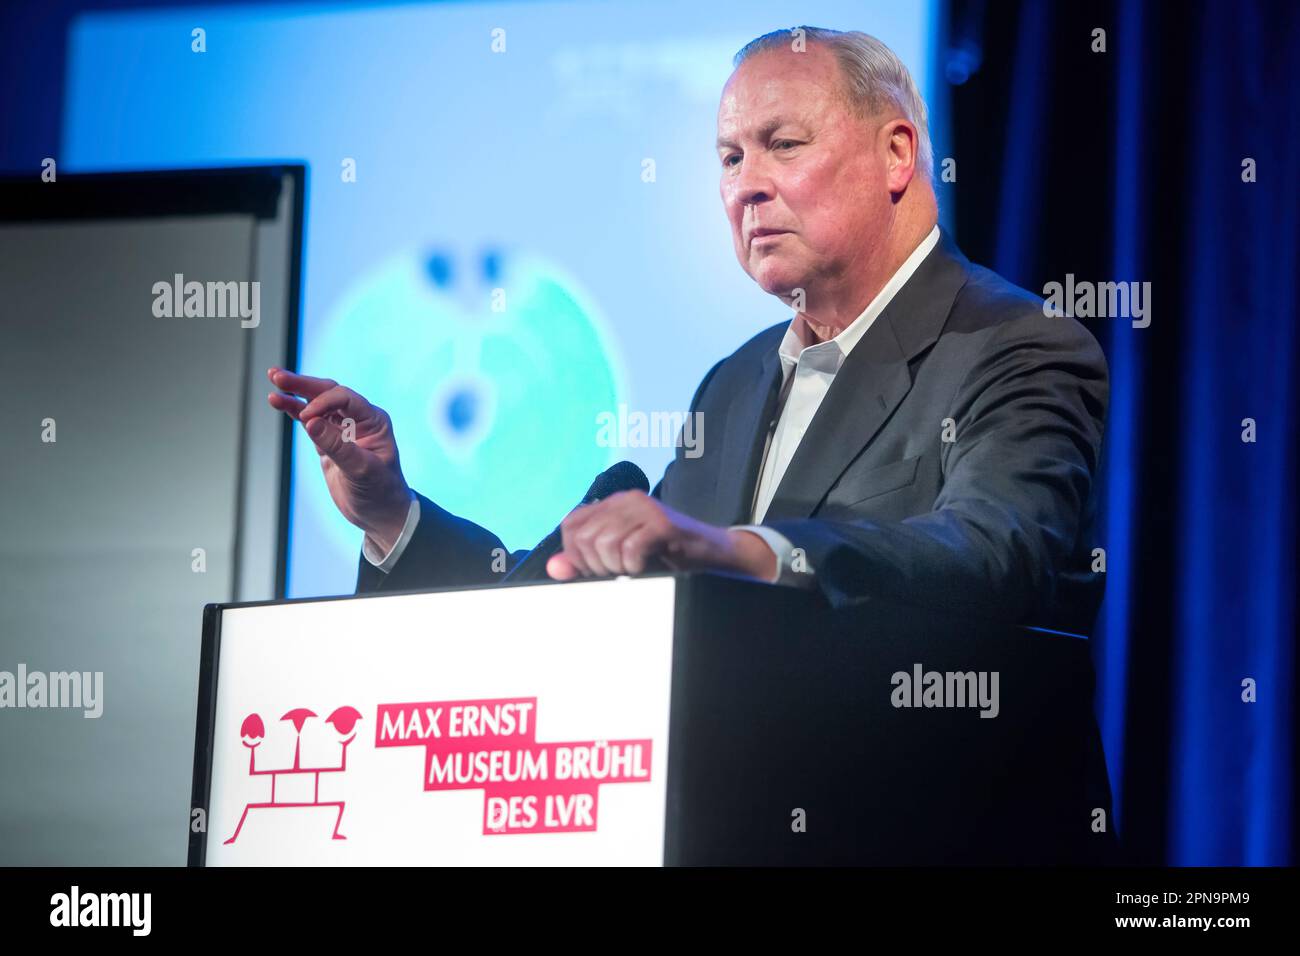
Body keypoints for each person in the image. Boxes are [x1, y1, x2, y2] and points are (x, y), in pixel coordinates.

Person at [268, 27, 1108, 635]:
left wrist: (750, 553)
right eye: (730, 158)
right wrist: (391, 516)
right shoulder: (736, 382)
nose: (746, 186)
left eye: (781, 144)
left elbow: (993, 555)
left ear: (896, 154)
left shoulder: (1017, 346)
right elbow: (556, 593)